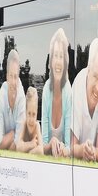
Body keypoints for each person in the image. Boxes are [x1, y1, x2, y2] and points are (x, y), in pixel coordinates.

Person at [71, 37, 98, 162]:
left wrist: (92, 153)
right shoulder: (78, 84)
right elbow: (72, 147)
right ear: (88, 69)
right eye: (95, 77)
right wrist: (84, 150)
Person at [41, 27, 72, 157]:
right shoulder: (46, 90)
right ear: (51, 61)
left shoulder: (68, 91)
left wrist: (62, 149)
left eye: (61, 56)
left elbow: (70, 145)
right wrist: (51, 143)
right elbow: (43, 144)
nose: (58, 61)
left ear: (65, 62)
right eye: (55, 56)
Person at [0, 49, 24, 150]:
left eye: (16, 77)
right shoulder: (2, 94)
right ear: (7, 76)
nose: (13, 81)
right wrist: (12, 134)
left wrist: (10, 138)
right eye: (11, 76)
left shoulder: (21, 96)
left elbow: (18, 141)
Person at [13, 87, 43, 154]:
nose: (31, 119)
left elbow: (41, 150)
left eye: (34, 114)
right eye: (29, 114)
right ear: (25, 112)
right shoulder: (24, 123)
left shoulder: (37, 125)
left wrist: (29, 153)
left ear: (37, 113)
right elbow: (18, 147)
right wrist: (31, 144)